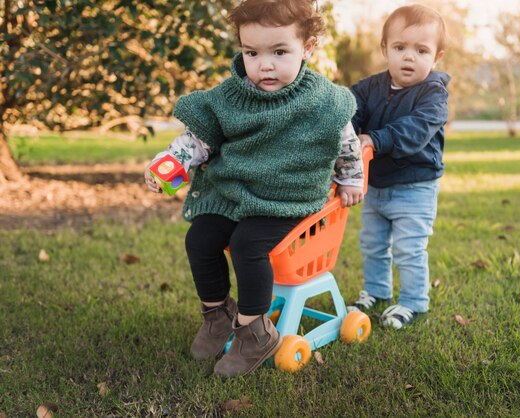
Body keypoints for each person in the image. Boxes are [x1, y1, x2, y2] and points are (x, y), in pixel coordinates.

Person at [144, 0, 364, 378]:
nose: (264, 64)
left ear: (307, 47)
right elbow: (198, 137)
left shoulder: (324, 100)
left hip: (288, 199)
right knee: (200, 238)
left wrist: (351, 177)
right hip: (234, 194)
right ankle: (217, 313)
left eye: (279, 52)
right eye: (252, 52)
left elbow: (346, 140)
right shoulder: (230, 97)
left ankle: (254, 330)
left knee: (248, 244)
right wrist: (174, 161)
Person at [347, 4, 450, 330]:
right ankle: (377, 291)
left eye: (421, 50)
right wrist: (342, 130)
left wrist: (374, 140)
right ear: (385, 49)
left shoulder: (433, 94)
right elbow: (347, 112)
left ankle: (414, 301)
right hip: (375, 185)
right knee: (373, 243)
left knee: (409, 248)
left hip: (414, 186)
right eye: (400, 47)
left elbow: (415, 131)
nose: (409, 57)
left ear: (436, 57)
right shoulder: (368, 88)